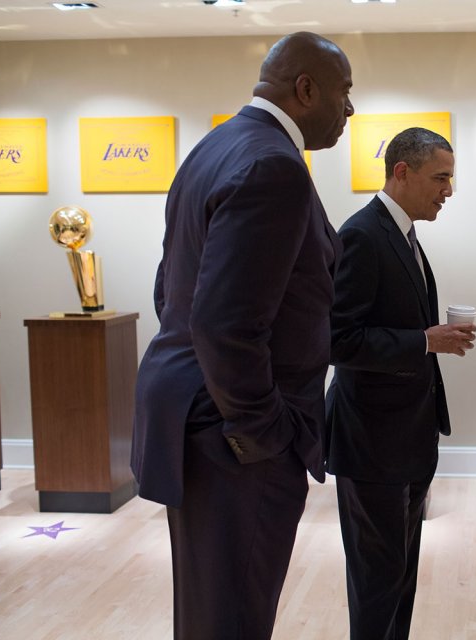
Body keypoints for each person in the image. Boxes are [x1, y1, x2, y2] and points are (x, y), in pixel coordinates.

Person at [130, 32, 354, 640]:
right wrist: (265, 431)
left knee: (212, 610)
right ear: (305, 90)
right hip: (233, 441)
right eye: (345, 92)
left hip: (197, 420)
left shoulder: (216, 146)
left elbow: (170, 289)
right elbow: (222, 322)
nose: (351, 110)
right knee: (233, 617)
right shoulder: (273, 164)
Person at [325, 127, 476, 640]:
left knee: (399, 577)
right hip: (372, 446)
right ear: (401, 172)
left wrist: (434, 340)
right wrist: (423, 342)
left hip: (406, 441)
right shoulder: (362, 235)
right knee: (377, 581)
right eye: (441, 178)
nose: (448, 191)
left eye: (450, 178)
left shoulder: (404, 234)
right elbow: (337, 341)